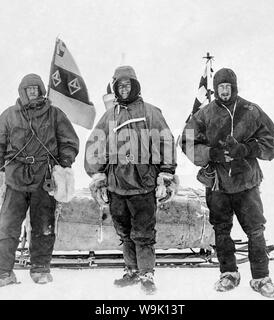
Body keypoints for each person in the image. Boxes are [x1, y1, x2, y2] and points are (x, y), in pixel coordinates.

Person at [180, 68, 274, 298]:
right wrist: (211, 153)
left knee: (255, 230)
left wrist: (247, 148)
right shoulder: (205, 114)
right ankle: (228, 273)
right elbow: (186, 141)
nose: (224, 91)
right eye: (220, 87)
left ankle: (261, 278)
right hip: (218, 183)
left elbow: (273, 141)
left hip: (246, 182)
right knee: (221, 230)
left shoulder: (251, 110)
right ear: (215, 89)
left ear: (234, 88)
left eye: (228, 87)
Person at [85, 66, 178, 295]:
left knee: (144, 233)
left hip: (144, 184)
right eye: (120, 85)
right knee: (124, 232)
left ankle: (147, 274)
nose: (124, 89)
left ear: (135, 85)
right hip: (117, 186)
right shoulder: (109, 116)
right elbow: (95, 146)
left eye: (128, 84)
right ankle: (132, 271)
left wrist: (165, 174)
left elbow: (166, 141)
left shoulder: (150, 112)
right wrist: (97, 176)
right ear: (115, 88)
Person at [0, 73, 79, 289]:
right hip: (15, 178)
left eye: (36, 88)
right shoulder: (10, 115)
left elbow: (69, 141)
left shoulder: (54, 114)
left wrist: (65, 160)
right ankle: (2, 272)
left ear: (42, 91)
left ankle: (40, 269)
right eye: (29, 89)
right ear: (22, 91)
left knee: (43, 226)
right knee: (7, 227)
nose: (33, 92)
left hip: (43, 178)